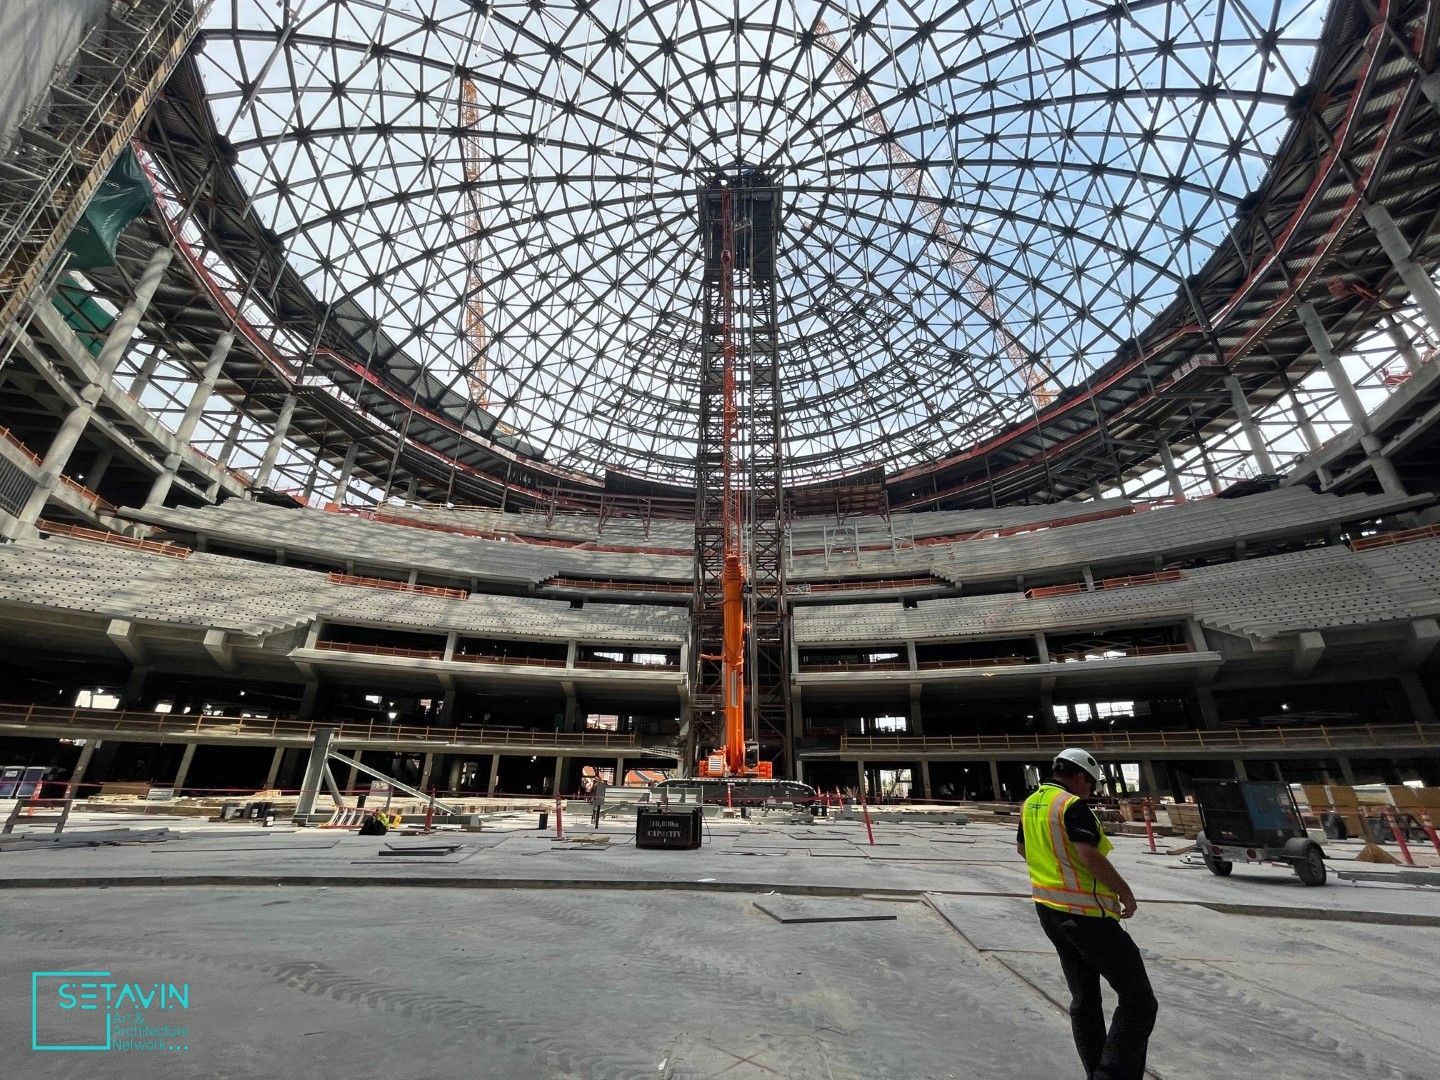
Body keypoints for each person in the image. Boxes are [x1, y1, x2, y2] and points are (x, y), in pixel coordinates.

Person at [1016, 748, 1157, 1080]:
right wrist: (1124, 890)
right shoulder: (1070, 806)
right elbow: (1088, 854)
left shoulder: (1031, 803)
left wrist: (1052, 867)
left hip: (1049, 911)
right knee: (1139, 1001)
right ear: (1079, 778)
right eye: (1091, 785)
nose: (1091, 792)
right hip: (1087, 916)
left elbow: (1024, 848)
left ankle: (1097, 1071)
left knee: (1085, 1000)